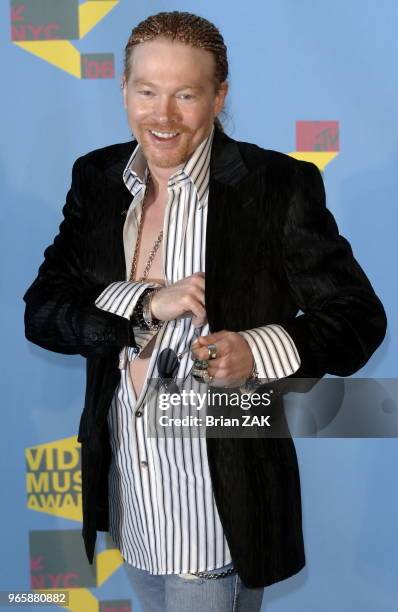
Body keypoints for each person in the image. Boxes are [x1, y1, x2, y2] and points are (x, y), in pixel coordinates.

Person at [23, 10, 387, 612]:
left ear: (219, 97)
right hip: (131, 499)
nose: (162, 116)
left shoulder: (276, 186)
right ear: (124, 91)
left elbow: (357, 318)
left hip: (218, 508)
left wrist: (258, 349)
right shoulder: (96, 178)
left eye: (185, 95)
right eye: (147, 91)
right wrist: (144, 303)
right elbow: (43, 311)